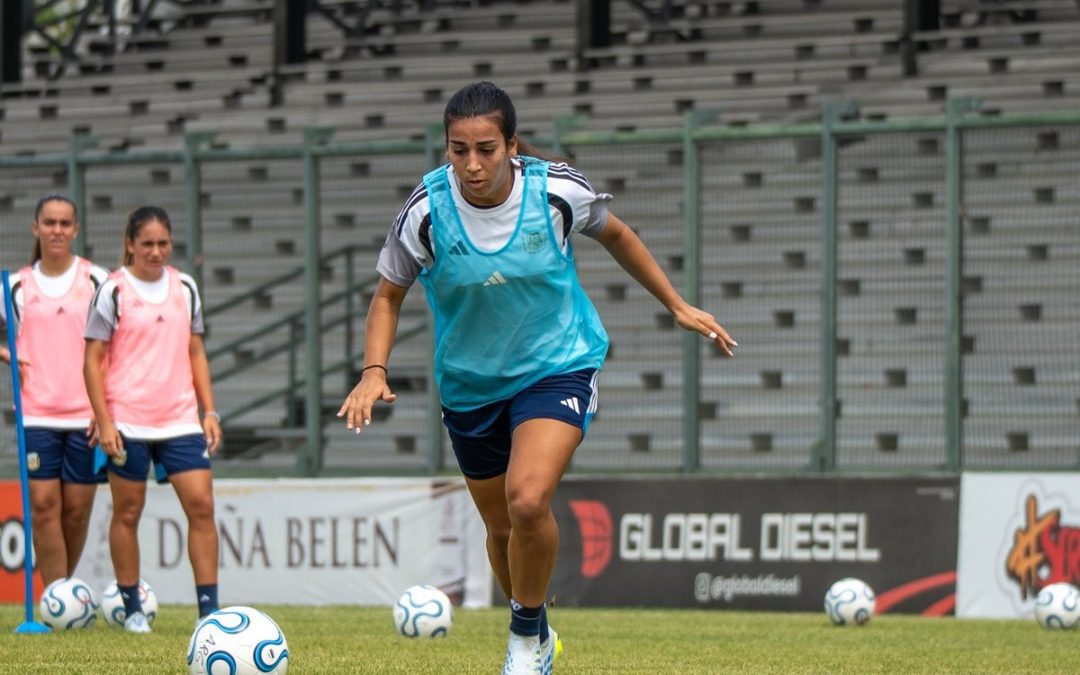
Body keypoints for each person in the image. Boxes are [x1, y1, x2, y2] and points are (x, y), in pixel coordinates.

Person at [338, 81, 737, 674]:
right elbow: (387, 296)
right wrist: (374, 371)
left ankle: (523, 642)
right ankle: (539, 629)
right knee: (500, 528)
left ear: (511, 145)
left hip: (558, 364)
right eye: (458, 150)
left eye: (486, 149)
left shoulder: (555, 190)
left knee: (527, 500)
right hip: (471, 385)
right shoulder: (425, 211)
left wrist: (674, 304)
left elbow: (618, 234)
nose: (472, 165)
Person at [83, 205, 223, 633]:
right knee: (128, 511)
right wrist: (104, 421)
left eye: (163, 243)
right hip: (128, 420)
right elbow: (92, 360)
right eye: (147, 243)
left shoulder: (185, 287)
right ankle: (133, 609)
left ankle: (209, 612)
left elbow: (195, 351)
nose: (157, 251)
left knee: (201, 506)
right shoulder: (113, 291)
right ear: (130, 244)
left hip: (180, 419)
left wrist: (209, 411)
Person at [0, 195, 109, 588]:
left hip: (87, 415)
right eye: (49, 223)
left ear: (76, 229)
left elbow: (115, 345)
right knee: (44, 505)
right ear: (35, 228)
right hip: (37, 414)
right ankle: (57, 598)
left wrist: (105, 408)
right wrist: (6, 353)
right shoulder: (13, 286)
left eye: (65, 223)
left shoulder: (97, 280)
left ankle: (65, 588)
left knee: (77, 511)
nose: (57, 230)